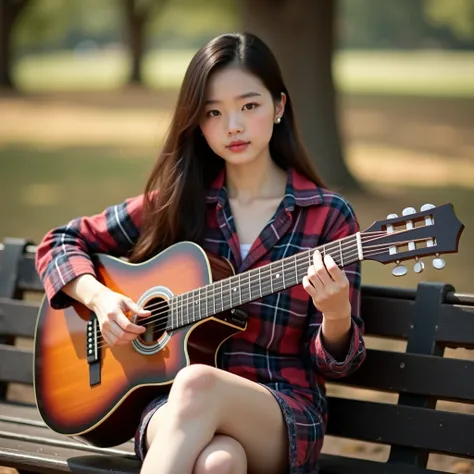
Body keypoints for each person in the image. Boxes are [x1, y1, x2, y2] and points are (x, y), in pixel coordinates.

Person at [35, 32, 366, 474]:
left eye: (249, 106)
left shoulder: (327, 217)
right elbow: (60, 241)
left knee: (198, 383)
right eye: (214, 112)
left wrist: (337, 315)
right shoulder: (180, 200)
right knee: (218, 464)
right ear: (197, 122)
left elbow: (340, 364)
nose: (233, 125)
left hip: (281, 409)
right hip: (172, 408)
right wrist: (100, 299)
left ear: (279, 107)